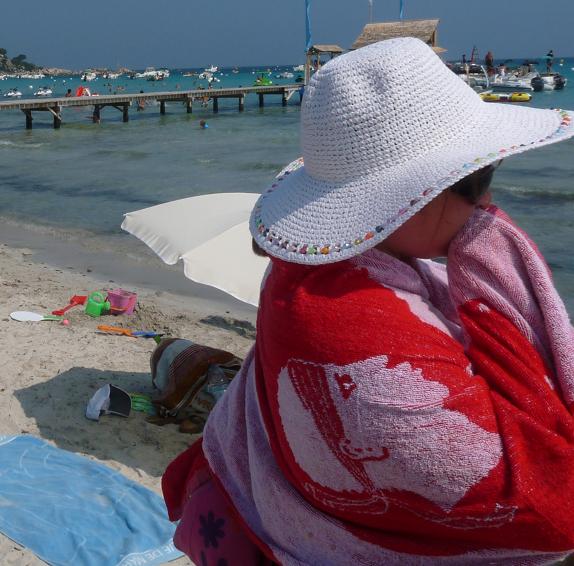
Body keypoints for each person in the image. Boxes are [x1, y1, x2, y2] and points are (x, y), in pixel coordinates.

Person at [162, 38, 574, 565]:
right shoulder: (360, 333)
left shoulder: (306, 276)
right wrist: (490, 251)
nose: (489, 201)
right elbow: (552, 507)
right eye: (476, 181)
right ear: (412, 197)